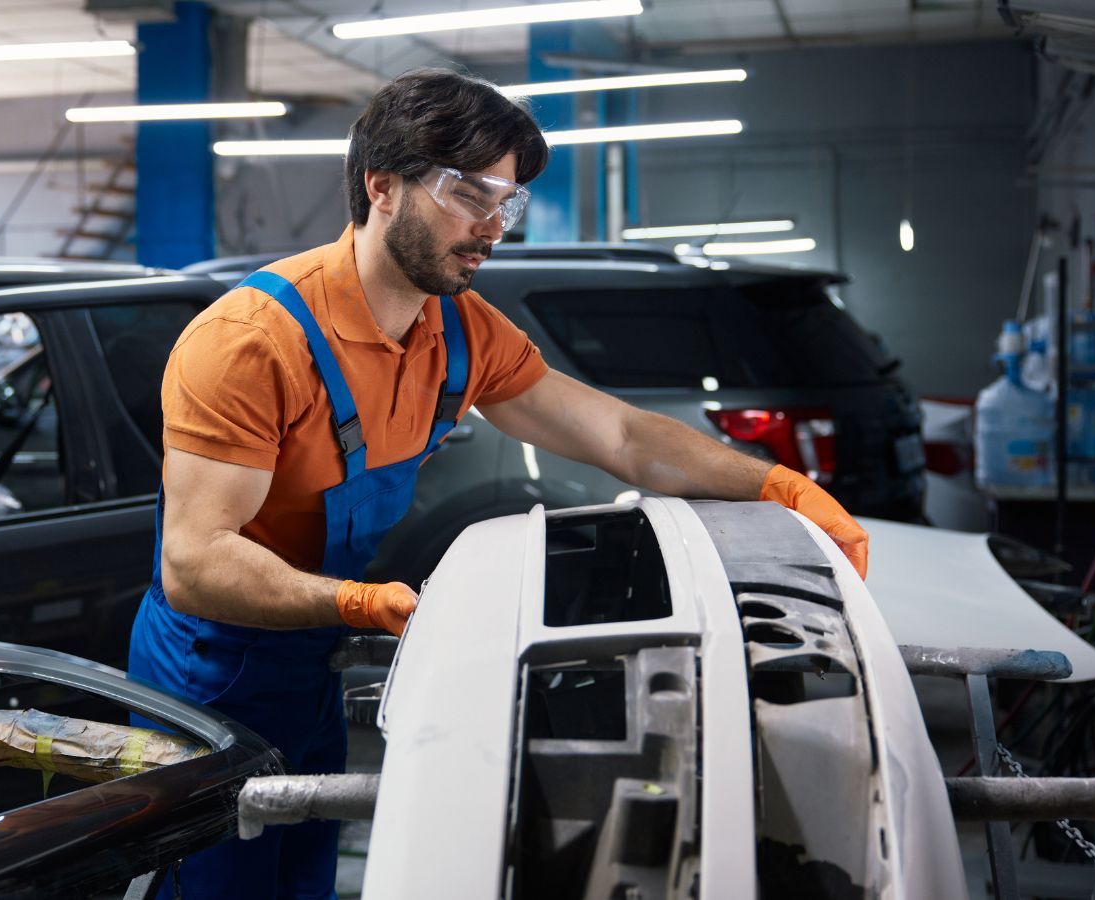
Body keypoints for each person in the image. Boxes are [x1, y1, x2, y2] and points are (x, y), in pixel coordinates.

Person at [128, 67, 869, 899]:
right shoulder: (249, 343)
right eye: (470, 195)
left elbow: (618, 433)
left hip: (308, 667)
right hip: (206, 674)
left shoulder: (461, 332)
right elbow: (194, 562)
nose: (493, 227)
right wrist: (359, 603)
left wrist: (776, 485)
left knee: (301, 878)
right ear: (382, 187)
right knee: (209, 885)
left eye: (507, 203)